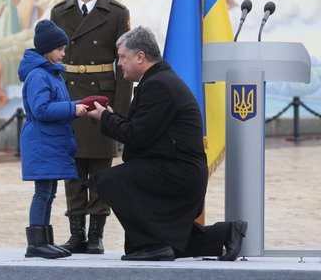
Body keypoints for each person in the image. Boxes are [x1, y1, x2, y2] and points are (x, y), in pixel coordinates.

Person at [86, 26, 247, 261]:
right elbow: (142, 131)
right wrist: (110, 116)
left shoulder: (158, 85)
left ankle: (154, 246)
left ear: (140, 57)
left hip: (178, 175)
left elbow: (136, 136)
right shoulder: (158, 81)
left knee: (110, 181)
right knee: (154, 245)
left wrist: (105, 118)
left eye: (122, 57)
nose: (119, 63)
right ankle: (225, 233)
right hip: (173, 169)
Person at [50, 0, 132, 255]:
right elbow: (54, 61)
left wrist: (119, 113)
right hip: (69, 96)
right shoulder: (60, 13)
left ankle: (96, 235)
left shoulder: (116, 13)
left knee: (100, 169)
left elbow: (123, 66)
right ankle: (76, 234)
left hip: (102, 97)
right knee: (72, 170)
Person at [18, 19, 89, 259]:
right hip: (42, 142)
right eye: (60, 49)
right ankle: (36, 244)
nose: (63, 54)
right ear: (47, 50)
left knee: (49, 191)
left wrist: (78, 106)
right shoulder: (39, 75)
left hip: (48, 141)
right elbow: (41, 110)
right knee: (42, 192)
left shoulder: (51, 73)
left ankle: (44, 240)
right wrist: (72, 108)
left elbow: (54, 105)